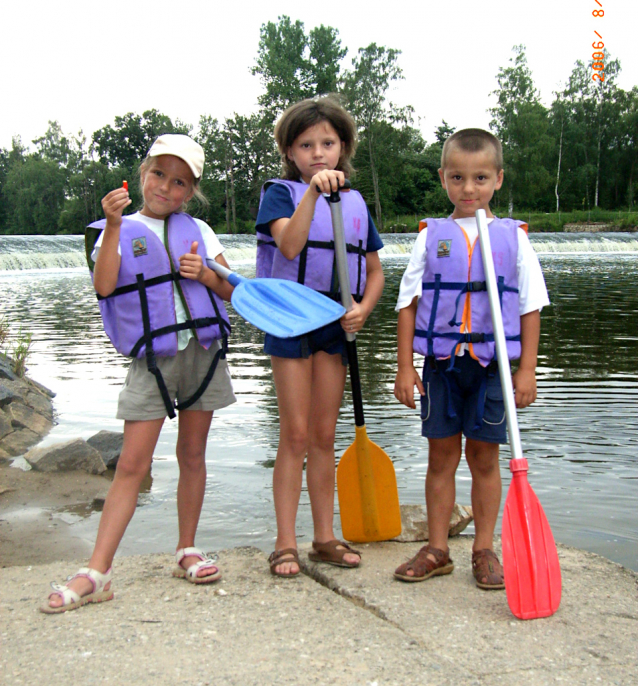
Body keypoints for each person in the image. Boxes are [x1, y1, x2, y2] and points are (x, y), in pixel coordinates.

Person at [41, 134, 237, 613]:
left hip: (203, 352)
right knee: (132, 465)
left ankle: (186, 550)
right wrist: (111, 225)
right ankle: (97, 571)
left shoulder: (201, 231)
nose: (166, 188)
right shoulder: (114, 228)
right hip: (152, 359)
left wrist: (207, 275)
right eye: (158, 175)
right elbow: (105, 285)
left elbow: (233, 291)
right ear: (143, 172)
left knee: (193, 455)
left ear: (190, 191)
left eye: (179, 182)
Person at [393, 129, 549, 589]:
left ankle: (484, 548)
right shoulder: (431, 237)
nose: (468, 189)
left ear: (498, 179)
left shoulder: (514, 239)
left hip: (494, 366)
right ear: (443, 178)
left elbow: (531, 306)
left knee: (484, 457)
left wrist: (527, 369)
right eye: (458, 178)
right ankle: (438, 548)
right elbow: (408, 303)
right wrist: (404, 366)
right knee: (441, 456)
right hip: (442, 364)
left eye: (480, 178)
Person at [255, 96, 385, 577]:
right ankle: (284, 541)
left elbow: (374, 271)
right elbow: (289, 244)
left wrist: (364, 309)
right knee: (294, 434)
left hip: (334, 324)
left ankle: (324, 537)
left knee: (324, 436)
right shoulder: (280, 194)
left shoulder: (355, 202)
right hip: (291, 320)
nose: (318, 153)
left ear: (343, 147)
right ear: (290, 151)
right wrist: (311, 192)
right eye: (306, 144)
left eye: (327, 143)